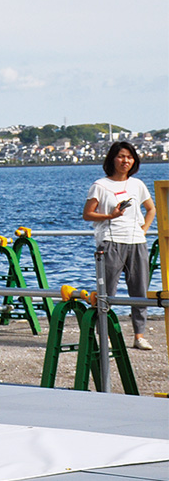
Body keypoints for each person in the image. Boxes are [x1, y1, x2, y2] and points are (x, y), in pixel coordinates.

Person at [82, 141, 157, 350]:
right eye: (121, 156)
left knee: (139, 291)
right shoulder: (100, 185)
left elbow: (151, 209)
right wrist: (110, 215)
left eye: (129, 157)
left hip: (136, 243)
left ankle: (139, 335)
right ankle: (104, 336)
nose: (125, 161)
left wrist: (143, 231)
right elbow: (87, 214)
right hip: (110, 242)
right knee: (107, 291)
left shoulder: (137, 184)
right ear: (112, 159)